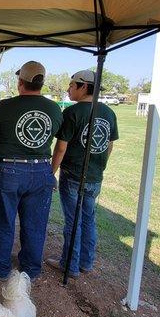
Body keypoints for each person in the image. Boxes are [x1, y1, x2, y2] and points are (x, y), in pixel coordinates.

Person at [0, 61, 62, 281]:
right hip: (41, 169)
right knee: (36, 223)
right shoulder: (54, 108)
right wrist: (50, 172)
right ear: (42, 83)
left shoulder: (4, 106)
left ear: (20, 82)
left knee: (2, 219)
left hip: (9, 168)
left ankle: (0, 264)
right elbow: (61, 144)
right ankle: (30, 269)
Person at [46, 70, 118, 278]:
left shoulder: (72, 113)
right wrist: (100, 165)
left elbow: (61, 147)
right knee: (88, 220)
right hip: (95, 176)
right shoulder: (108, 112)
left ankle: (70, 265)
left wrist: (52, 172)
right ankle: (86, 261)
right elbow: (109, 144)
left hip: (73, 175)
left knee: (73, 222)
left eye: (71, 85)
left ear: (83, 86)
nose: (68, 89)